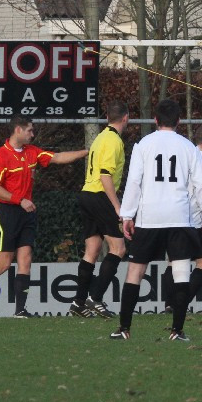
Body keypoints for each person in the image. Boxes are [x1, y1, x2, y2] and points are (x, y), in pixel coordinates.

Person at [0, 116, 88, 319]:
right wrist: (19, 200)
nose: (32, 134)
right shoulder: (1, 155)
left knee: (25, 260)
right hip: (6, 212)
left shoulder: (32, 152)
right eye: (29, 130)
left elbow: (57, 157)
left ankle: (20, 311)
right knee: (3, 264)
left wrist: (87, 152)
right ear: (18, 130)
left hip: (26, 212)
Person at [109, 99, 202, 341]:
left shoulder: (143, 145)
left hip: (149, 217)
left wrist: (127, 215)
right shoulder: (188, 147)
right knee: (181, 272)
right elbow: (200, 184)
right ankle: (177, 330)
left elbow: (134, 181)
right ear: (179, 121)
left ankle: (124, 328)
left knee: (135, 271)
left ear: (156, 120)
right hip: (179, 217)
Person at [69, 101, 129, 319]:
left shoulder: (100, 137)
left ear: (107, 118)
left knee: (92, 249)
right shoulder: (114, 140)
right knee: (118, 248)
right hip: (100, 195)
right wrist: (116, 205)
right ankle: (95, 298)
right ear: (126, 118)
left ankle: (78, 303)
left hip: (87, 194)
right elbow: (105, 175)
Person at [160, 125, 202, 312]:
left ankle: (169, 304)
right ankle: (180, 303)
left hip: (172, 214)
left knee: (174, 261)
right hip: (193, 220)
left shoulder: (182, 156)